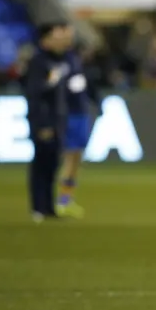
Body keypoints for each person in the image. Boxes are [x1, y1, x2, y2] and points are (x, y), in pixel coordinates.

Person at [24, 22, 74, 223]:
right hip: (44, 122)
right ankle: (38, 208)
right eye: (55, 37)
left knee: (52, 165)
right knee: (41, 165)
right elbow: (35, 94)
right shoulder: (38, 62)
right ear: (45, 40)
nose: (59, 40)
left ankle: (48, 207)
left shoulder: (59, 61)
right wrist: (42, 124)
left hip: (57, 121)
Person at [56, 42, 103, 218]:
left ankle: (67, 198)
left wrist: (97, 102)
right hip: (71, 116)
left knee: (76, 158)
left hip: (79, 115)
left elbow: (87, 87)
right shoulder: (68, 66)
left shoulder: (78, 67)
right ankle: (63, 200)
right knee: (71, 157)